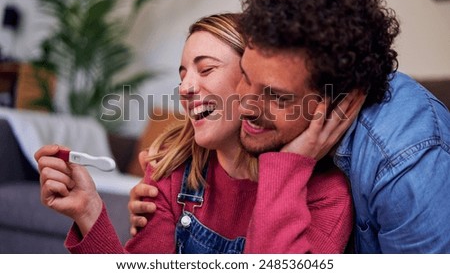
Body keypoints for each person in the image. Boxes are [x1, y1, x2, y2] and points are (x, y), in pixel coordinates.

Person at [129, 0, 450, 253]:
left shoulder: (406, 162)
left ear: (335, 100)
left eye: (275, 96)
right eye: (248, 78)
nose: (247, 105)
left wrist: (288, 165)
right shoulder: (193, 164)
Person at [36, 13, 357, 254]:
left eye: (206, 69)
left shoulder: (327, 196)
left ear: (252, 79)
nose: (186, 87)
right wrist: (88, 211)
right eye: (183, 74)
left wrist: (288, 164)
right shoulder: (172, 171)